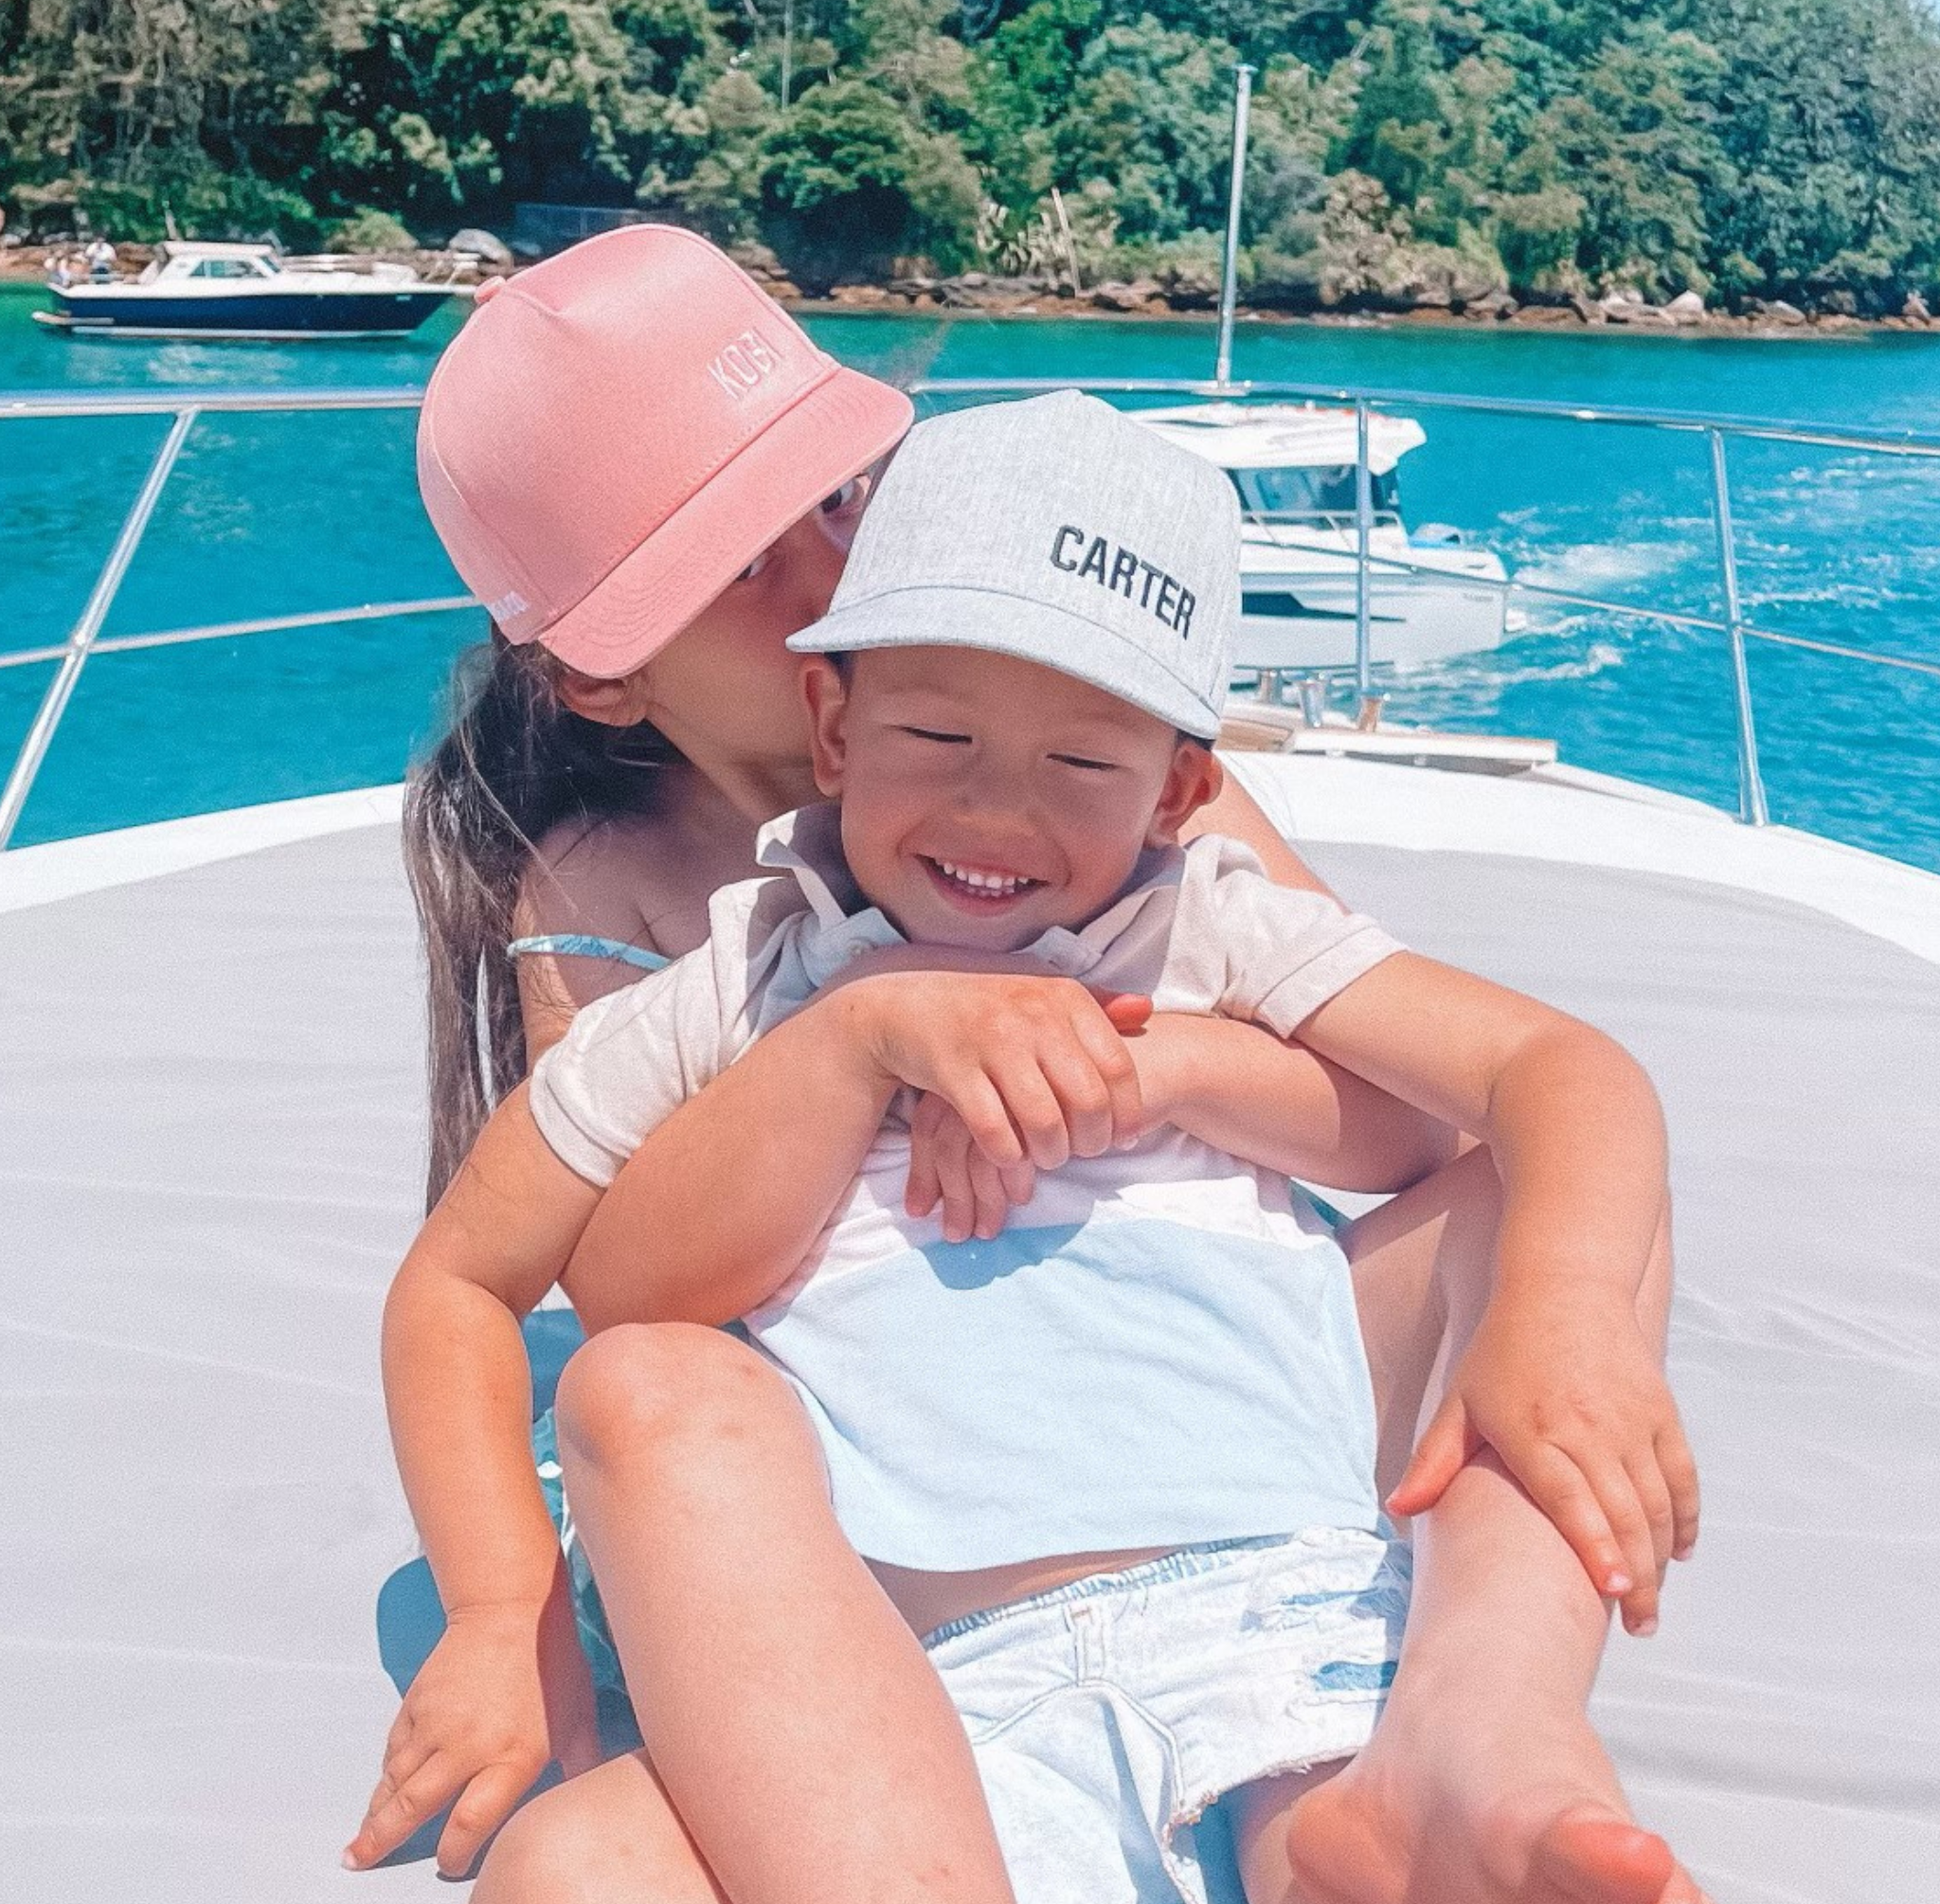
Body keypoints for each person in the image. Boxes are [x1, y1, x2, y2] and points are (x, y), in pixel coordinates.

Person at [349, 230, 1701, 1904]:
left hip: (1195, 1382)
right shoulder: (619, 905)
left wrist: (1154, 1069)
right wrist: (861, 1039)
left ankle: (1468, 1722)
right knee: (572, 1843)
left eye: (842, 504)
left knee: (1548, 1208)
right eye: (751, 565)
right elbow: (635, 1291)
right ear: (606, 665)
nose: (831, 569)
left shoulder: (1127, 831)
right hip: (860, 1495)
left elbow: (1424, 1131)